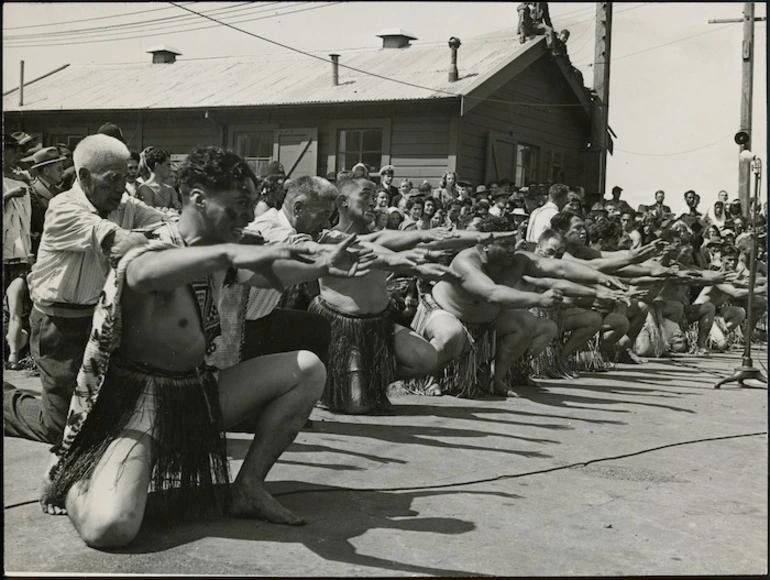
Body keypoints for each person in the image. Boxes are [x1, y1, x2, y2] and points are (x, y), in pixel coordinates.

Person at [42, 145, 330, 548]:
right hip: (140, 405)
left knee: (308, 368)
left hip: (196, 392)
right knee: (110, 528)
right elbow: (141, 273)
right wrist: (229, 251)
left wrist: (331, 263)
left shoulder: (221, 253)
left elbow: (273, 272)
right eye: (239, 206)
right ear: (198, 199)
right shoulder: (155, 246)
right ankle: (72, 478)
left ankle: (246, 487)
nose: (249, 217)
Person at [3, 134, 166, 447]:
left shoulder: (122, 203)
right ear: (83, 177)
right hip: (58, 327)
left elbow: (170, 224)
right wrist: (157, 238)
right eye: (112, 179)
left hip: (97, 320)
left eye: (127, 177)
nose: (121, 186)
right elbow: (122, 244)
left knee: (97, 416)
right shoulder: (64, 208)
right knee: (58, 428)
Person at [414, 216, 627, 397]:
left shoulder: (518, 260)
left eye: (513, 243)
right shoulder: (466, 262)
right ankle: (429, 376)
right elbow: (493, 293)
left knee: (526, 322)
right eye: (505, 244)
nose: (511, 249)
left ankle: (496, 378)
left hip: (487, 318)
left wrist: (600, 278)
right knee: (452, 333)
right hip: (445, 311)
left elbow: (560, 268)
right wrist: (538, 300)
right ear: (485, 244)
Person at [309, 175, 462, 414]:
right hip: (341, 329)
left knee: (425, 358)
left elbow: (388, 240)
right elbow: (371, 246)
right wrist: (418, 243)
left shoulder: (383, 235)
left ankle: (368, 375)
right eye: (365, 196)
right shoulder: (328, 238)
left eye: (375, 197)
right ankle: (332, 382)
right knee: (357, 405)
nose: (373, 203)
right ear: (343, 202)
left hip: (380, 326)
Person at [3, 134, 34, 370]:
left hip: (18, 251)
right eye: (12, 150)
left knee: (15, 306)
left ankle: (13, 355)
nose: (16, 155)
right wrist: (9, 195)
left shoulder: (21, 178)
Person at [24, 147, 66, 256]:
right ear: (46, 171)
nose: (63, 172)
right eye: (59, 169)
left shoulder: (62, 192)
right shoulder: (31, 193)